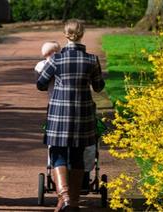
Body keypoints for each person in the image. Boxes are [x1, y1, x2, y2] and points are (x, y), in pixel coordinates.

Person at [37, 19, 105, 212]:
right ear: (82, 34)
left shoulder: (56, 59)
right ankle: (73, 200)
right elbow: (99, 87)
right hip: (82, 115)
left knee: (57, 152)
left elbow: (41, 84)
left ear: (66, 35)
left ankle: (64, 196)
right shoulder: (92, 60)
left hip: (59, 114)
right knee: (77, 155)